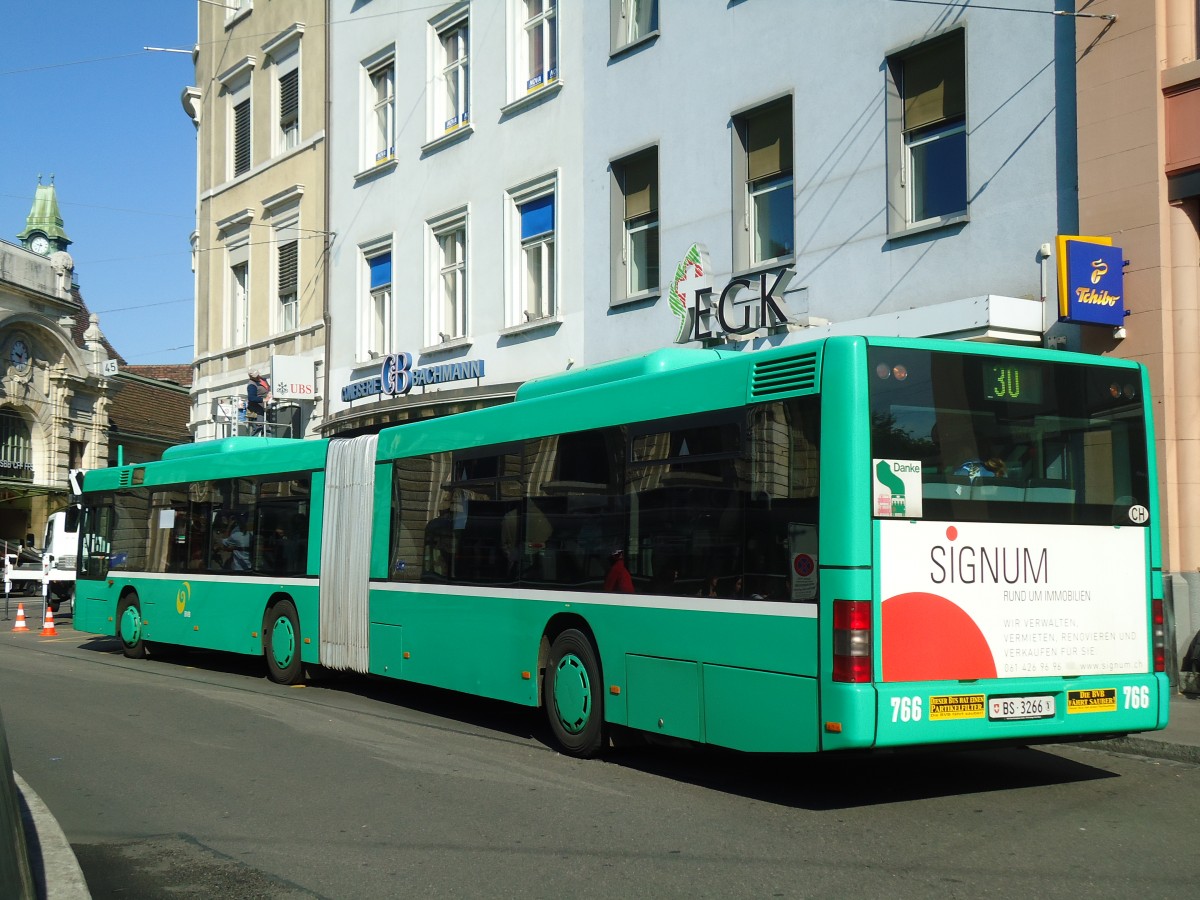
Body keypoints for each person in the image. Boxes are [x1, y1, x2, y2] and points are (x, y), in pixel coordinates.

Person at [246, 369, 272, 435]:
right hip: (256, 410)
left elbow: (268, 388)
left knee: (267, 428)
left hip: (265, 408)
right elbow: (251, 397)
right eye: (255, 376)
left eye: (257, 375)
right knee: (258, 427)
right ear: (251, 377)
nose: (257, 377)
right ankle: (252, 443)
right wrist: (263, 399)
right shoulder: (251, 385)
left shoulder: (263, 380)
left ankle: (268, 443)